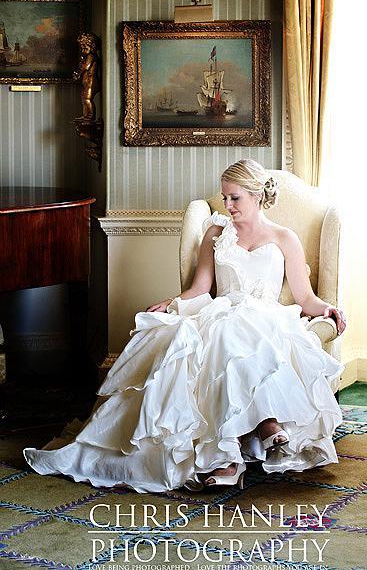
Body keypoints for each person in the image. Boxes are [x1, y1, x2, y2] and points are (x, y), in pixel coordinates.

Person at [24, 160, 346, 493]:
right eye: (224, 198)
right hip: (223, 311)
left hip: (265, 316)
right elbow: (200, 288)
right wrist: (173, 302)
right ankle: (253, 435)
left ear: (254, 195)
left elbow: (306, 297)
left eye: (235, 198)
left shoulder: (284, 238)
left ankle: (236, 451)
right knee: (217, 332)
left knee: (235, 332)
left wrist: (328, 308)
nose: (227, 205)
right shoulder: (216, 233)